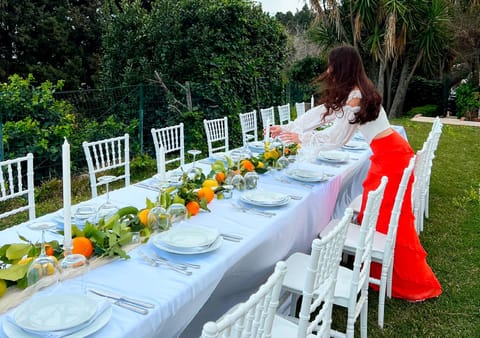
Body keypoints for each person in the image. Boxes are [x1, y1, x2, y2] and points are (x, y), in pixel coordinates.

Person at [271, 45, 442, 302]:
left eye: (331, 65)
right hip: (389, 153)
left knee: (387, 220)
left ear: (342, 67)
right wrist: (289, 127)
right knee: (381, 219)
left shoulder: (356, 97)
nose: (328, 70)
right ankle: (382, 275)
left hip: (391, 158)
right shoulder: (356, 92)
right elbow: (322, 114)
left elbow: (335, 138)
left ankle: (409, 283)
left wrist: (300, 137)